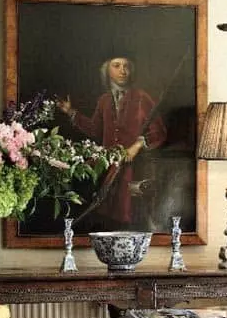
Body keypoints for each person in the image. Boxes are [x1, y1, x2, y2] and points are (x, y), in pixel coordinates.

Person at [57, 55, 167, 230]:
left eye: (126, 66)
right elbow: (95, 129)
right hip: (107, 167)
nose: (123, 70)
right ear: (107, 70)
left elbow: (159, 131)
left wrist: (137, 145)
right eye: (117, 66)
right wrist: (71, 112)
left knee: (127, 219)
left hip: (133, 168)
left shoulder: (141, 97)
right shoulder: (104, 100)